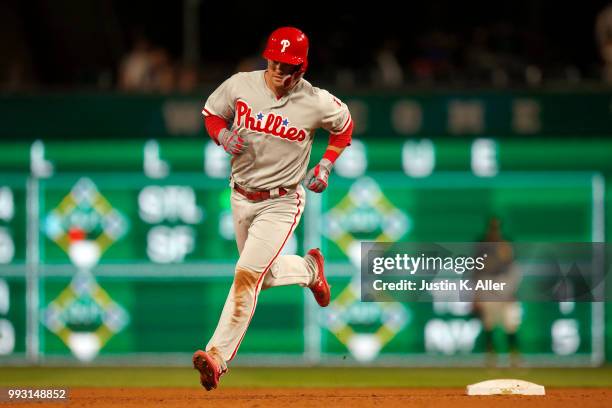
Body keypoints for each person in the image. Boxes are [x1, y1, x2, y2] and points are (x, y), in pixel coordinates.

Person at [193, 27, 353, 391]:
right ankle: (310, 269)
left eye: (290, 66)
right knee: (262, 277)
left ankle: (217, 358)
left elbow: (344, 128)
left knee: (246, 275)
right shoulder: (240, 85)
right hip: (240, 195)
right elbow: (211, 113)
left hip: (282, 200)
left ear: (302, 67)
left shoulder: (316, 101)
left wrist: (326, 164)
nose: (281, 71)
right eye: (276, 63)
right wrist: (220, 135)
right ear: (267, 58)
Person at [472, 216, 522, 366]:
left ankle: (514, 357)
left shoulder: (505, 245)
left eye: (496, 227)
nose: (494, 231)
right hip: (487, 285)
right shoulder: (481, 245)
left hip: (504, 284)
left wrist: (512, 291)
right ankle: (491, 358)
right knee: (489, 324)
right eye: (492, 227)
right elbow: (476, 271)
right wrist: (476, 295)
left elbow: (515, 269)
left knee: (511, 323)